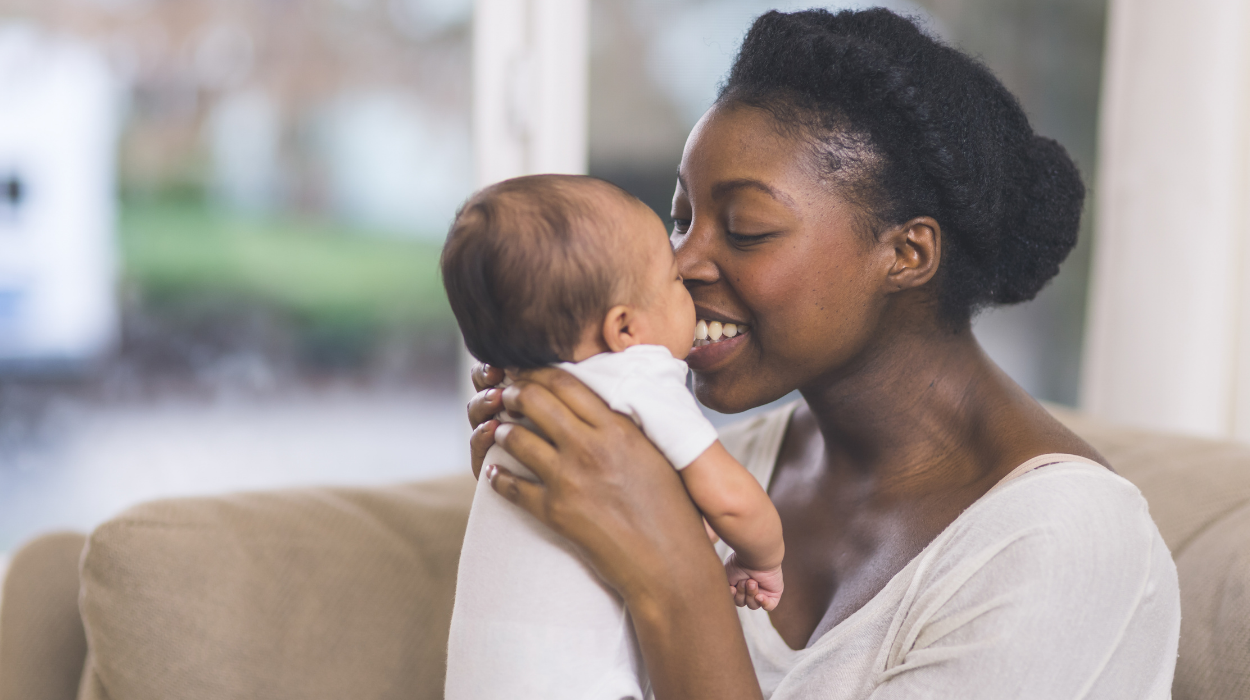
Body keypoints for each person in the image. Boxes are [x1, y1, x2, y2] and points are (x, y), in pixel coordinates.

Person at [465, 8, 1181, 700]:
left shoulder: (1061, 544)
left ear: (906, 253)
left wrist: (677, 581)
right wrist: (536, 488)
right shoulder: (725, 467)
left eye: (744, 229)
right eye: (680, 221)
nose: (679, 265)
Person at [441, 175, 785, 700]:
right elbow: (734, 501)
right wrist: (762, 559)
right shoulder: (634, 376)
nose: (687, 274)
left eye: (744, 230)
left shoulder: (520, 393)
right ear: (623, 329)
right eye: (672, 275)